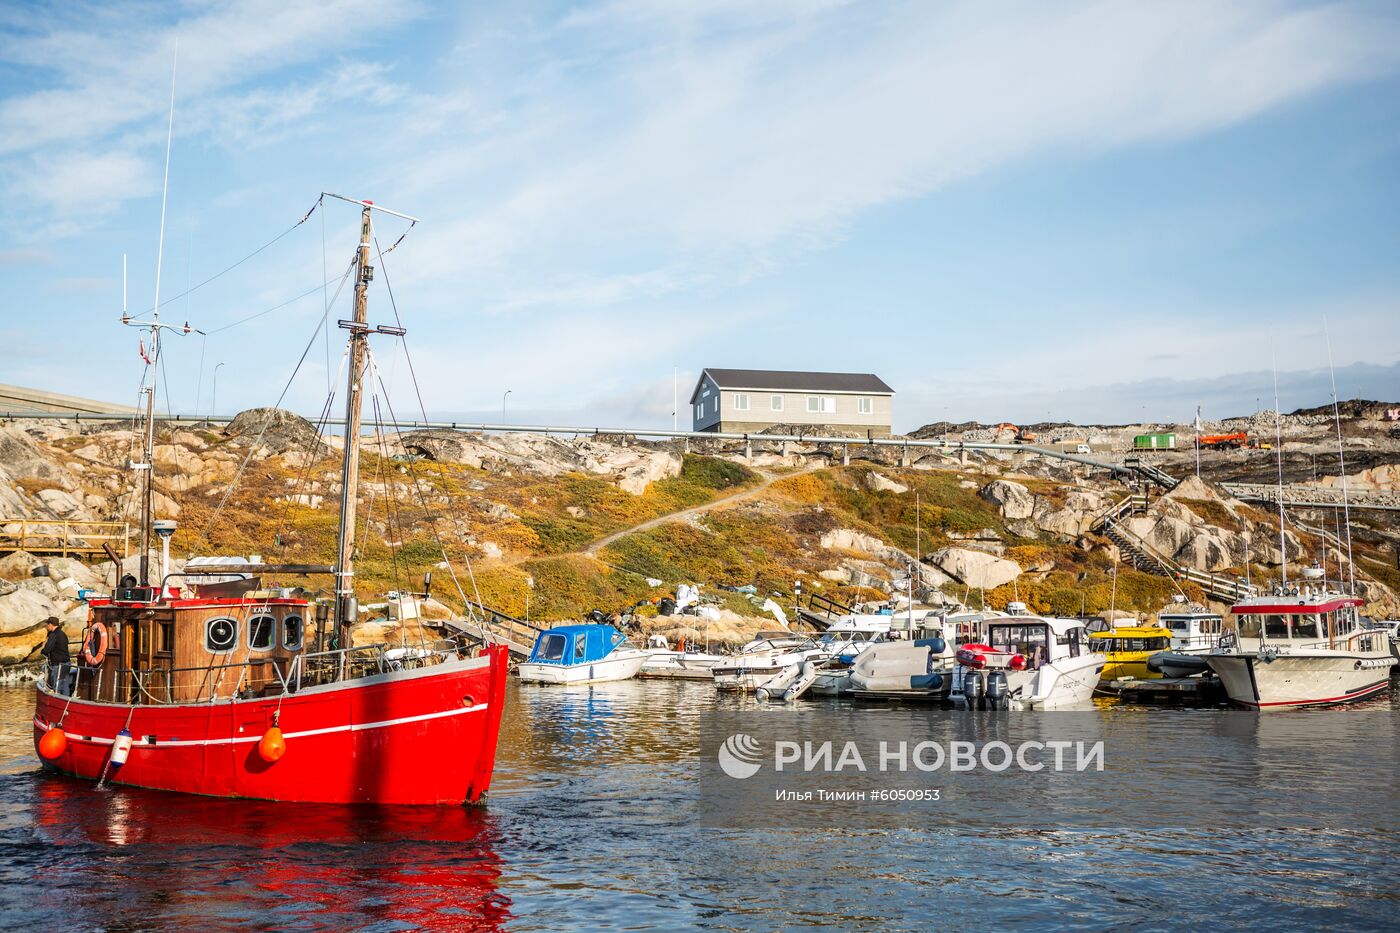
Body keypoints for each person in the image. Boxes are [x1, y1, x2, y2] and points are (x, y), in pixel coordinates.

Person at [39, 616, 71, 696]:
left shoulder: (54, 635)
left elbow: (47, 649)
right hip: (67, 663)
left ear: (50, 624)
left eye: (47, 625)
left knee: (57, 687)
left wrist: (43, 651)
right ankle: (66, 702)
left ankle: (57, 703)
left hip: (58, 665)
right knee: (65, 685)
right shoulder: (63, 634)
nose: (47, 627)